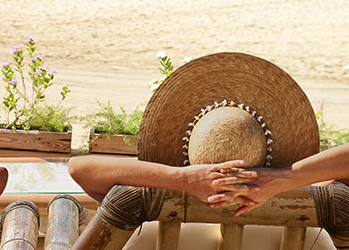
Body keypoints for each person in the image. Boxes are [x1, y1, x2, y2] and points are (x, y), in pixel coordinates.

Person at [68, 52, 324, 217]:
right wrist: (282, 178)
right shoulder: (301, 196)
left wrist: (182, 178)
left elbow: (79, 168)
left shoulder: (162, 196)